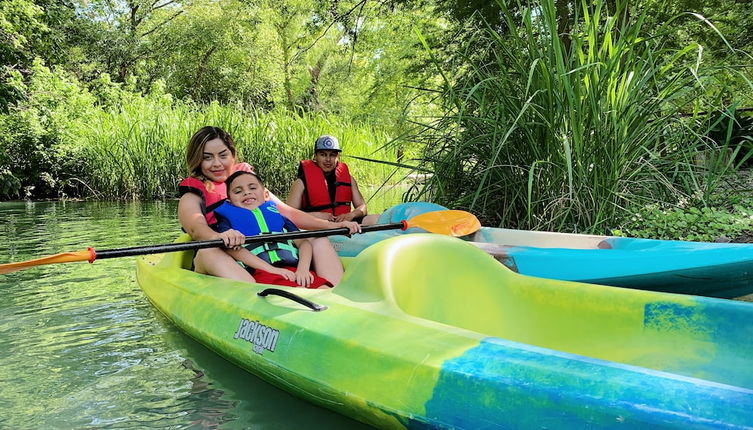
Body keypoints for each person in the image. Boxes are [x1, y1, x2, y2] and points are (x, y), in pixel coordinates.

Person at [177, 126, 360, 285]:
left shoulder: (248, 184)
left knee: (318, 238)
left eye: (223, 155)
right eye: (207, 157)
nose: (216, 164)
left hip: (267, 250)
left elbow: (289, 213)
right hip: (227, 254)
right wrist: (221, 236)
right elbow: (196, 229)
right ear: (197, 160)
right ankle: (257, 302)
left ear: (232, 155)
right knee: (210, 251)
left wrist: (335, 226)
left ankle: (335, 293)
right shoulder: (193, 194)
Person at [214, 170, 332, 288]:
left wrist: (303, 269)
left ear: (265, 195)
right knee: (300, 292)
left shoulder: (279, 218)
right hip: (261, 273)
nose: (246, 193)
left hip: (294, 269)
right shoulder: (227, 224)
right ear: (229, 201)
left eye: (253, 188)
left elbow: (303, 243)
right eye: (238, 191)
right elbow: (232, 249)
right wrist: (273, 270)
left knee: (324, 288)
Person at [286, 135, 380, 225]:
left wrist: (351, 215)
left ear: (338, 157)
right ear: (315, 156)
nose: (328, 159)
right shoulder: (301, 182)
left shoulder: (349, 179)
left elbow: (362, 207)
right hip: (316, 226)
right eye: (323, 155)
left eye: (332, 155)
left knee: (375, 219)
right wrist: (315, 216)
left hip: (343, 225)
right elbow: (289, 215)